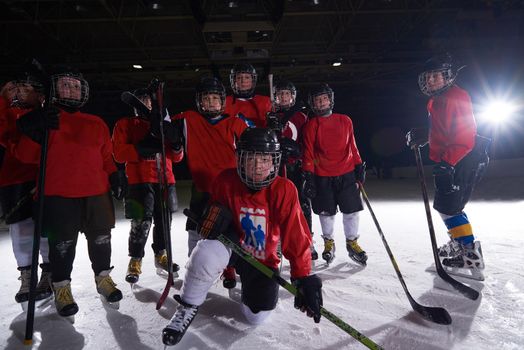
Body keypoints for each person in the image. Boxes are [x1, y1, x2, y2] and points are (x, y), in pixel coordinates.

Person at [162, 128, 322, 346]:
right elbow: (217, 222)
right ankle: (187, 306)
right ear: (239, 159)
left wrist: (303, 277)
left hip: (262, 258)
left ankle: (253, 287)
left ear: (275, 162)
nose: (257, 167)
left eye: (264, 160)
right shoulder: (225, 181)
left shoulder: (285, 189)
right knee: (205, 252)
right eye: (251, 159)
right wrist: (213, 226)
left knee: (255, 317)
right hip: (232, 247)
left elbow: (297, 235)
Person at [14, 66, 126, 317]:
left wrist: (115, 174)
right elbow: (24, 156)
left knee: (101, 240)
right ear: (55, 89)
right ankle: (62, 287)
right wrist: (32, 132)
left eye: (76, 85)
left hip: (96, 193)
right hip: (58, 195)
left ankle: (103, 278)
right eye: (66, 84)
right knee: (62, 245)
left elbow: (106, 157)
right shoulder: (46, 119)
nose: (71, 89)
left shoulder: (96, 123)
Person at [406, 53, 489, 280]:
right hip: (452, 159)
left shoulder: (457, 96)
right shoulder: (434, 101)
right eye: (428, 76)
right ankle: (461, 244)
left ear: (448, 76)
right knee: (447, 205)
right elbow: (443, 130)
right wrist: (424, 136)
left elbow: (465, 136)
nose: (431, 80)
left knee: (449, 206)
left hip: (464, 157)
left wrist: (447, 164)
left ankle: (470, 253)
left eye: (436, 76)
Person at [170, 77, 247, 288]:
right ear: (199, 101)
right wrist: (166, 130)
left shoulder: (235, 123)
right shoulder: (187, 119)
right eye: (207, 98)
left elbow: (253, 148)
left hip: (230, 190)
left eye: (215, 98)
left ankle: (229, 267)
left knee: (229, 230)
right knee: (195, 227)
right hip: (202, 187)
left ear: (223, 101)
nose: (211, 102)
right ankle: (193, 265)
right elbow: (164, 126)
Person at [112, 88, 183, 284]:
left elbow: (177, 158)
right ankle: (135, 259)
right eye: (142, 101)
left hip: (165, 180)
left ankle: (161, 254)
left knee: (164, 223)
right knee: (140, 224)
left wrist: (176, 144)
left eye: (149, 101)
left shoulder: (164, 124)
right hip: (139, 181)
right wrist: (139, 149)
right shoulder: (125, 124)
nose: (146, 104)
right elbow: (118, 153)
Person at [0, 73, 53, 306]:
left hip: (45, 176)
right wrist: (3, 97)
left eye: (25, 86)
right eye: (15, 87)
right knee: (20, 230)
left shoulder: (47, 113)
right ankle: (26, 275)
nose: (19, 91)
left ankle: (49, 273)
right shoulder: (9, 113)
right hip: (14, 178)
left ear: (41, 95)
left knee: (45, 228)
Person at [301, 84, 367, 265]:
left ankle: (352, 242)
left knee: (352, 211)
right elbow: (309, 153)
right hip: (323, 176)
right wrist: (310, 175)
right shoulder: (311, 125)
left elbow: (352, 146)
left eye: (324, 98)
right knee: (326, 213)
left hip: (346, 174)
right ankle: (328, 243)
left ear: (330, 100)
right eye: (317, 100)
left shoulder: (345, 120)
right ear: (313, 104)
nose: (321, 102)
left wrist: (359, 166)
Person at [266, 79, 317, 260]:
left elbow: (308, 142)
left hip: (296, 166)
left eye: (287, 94)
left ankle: (307, 240)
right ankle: (276, 241)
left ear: (293, 97)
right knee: (275, 204)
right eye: (280, 94)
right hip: (276, 167)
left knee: (302, 203)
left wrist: (300, 155)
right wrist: (271, 128)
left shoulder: (301, 117)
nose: (284, 97)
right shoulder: (271, 116)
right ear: (276, 98)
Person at [224, 63, 272, 128]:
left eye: (247, 77)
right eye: (239, 78)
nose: (243, 81)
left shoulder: (266, 101)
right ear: (233, 81)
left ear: (252, 80)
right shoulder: (224, 102)